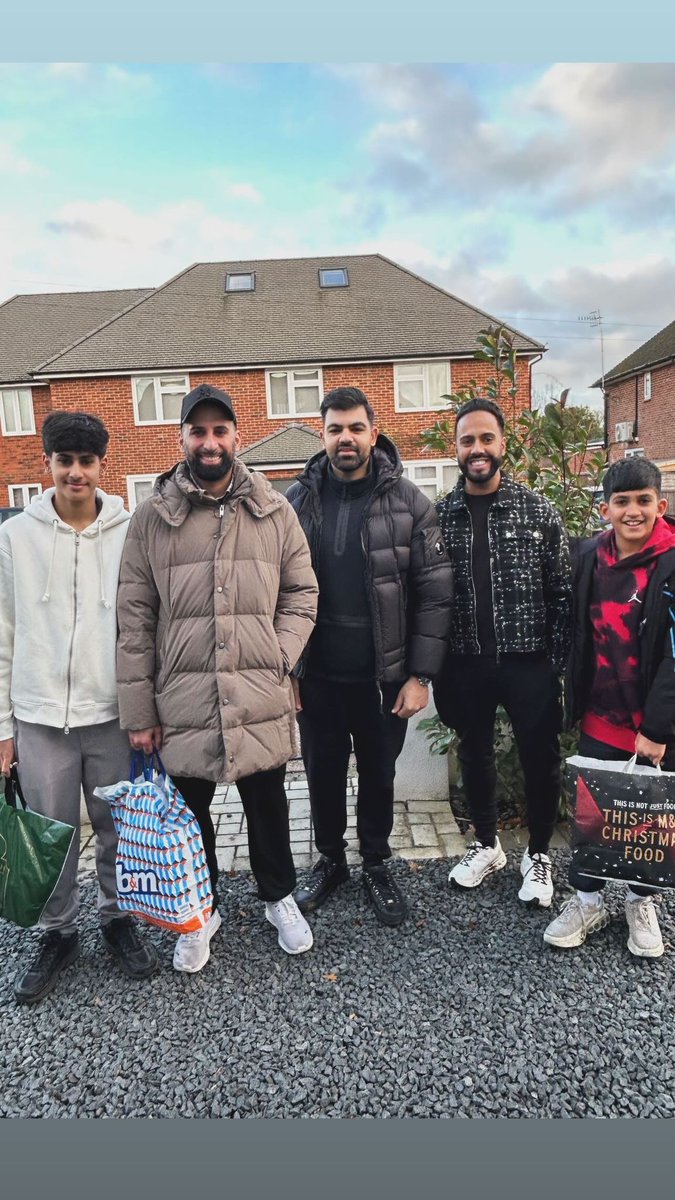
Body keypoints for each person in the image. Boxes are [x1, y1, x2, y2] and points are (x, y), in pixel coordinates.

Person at [116, 383, 318, 971]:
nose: (210, 442)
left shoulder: (275, 511)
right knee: (190, 814)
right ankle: (199, 912)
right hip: (183, 695)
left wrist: (278, 655)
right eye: (197, 431)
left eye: (219, 430)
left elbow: (302, 593)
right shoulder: (152, 518)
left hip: (258, 689)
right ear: (182, 438)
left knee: (268, 805)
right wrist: (140, 714)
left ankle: (278, 897)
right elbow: (134, 619)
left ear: (236, 435)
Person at [0, 411, 158, 1005]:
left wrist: (146, 709)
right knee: (52, 832)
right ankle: (57, 931)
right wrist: (2, 728)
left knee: (118, 826)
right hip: (39, 716)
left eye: (86, 461)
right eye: (64, 461)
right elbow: (3, 630)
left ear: (101, 465)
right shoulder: (15, 536)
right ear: (48, 464)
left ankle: (118, 918)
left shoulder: (128, 530)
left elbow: (144, 623)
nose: (75, 472)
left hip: (111, 712)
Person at [287, 386, 452, 927]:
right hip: (317, 676)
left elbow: (434, 593)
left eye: (355, 428)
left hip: (383, 678)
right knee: (322, 774)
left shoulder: (410, 503)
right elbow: (274, 592)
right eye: (335, 429)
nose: (346, 438)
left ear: (373, 433)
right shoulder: (295, 503)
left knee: (379, 775)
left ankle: (377, 863)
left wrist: (421, 675)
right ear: (323, 435)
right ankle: (331, 861)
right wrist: (286, 669)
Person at [433, 397, 572, 908]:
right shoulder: (440, 518)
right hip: (465, 661)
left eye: (486, 438)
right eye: (467, 440)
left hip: (528, 661)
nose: (477, 449)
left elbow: (562, 592)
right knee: (474, 751)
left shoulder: (537, 511)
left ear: (503, 443)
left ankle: (537, 853)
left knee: (541, 756)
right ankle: (487, 844)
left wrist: (554, 663)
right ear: (456, 448)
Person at [544, 457, 675, 957]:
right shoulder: (587, 558)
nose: (633, 511)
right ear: (606, 509)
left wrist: (659, 727)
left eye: (644, 501)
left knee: (651, 821)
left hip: (657, 726)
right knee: (594, 816)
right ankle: (587, 899)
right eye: (622, 502)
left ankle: (641, 902)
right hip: (602, 716)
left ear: (660, 505)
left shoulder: (672, 561)